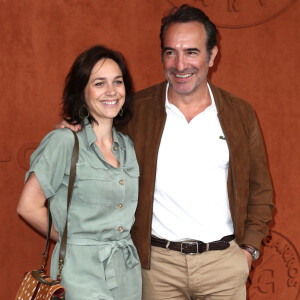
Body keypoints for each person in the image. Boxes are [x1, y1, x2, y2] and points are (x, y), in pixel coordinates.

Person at [59, 4, 274, 300]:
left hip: (223, 266)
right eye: (170, 52)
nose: (180, 64)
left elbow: (261, 191)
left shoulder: (240, 114)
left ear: (212, 55)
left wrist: (248, 252)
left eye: (192, 52)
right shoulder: (134, 110)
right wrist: (75, 127)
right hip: (156, 268)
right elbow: (95, 124)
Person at [17, 45, 142, 300]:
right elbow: (28, 206)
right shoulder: (64, 141)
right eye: (99, 83)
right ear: (82, 92)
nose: (111, 91)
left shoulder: (128, 147)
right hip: (80, 273)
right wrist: (71, 240)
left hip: (128, 273)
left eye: (117, 82)